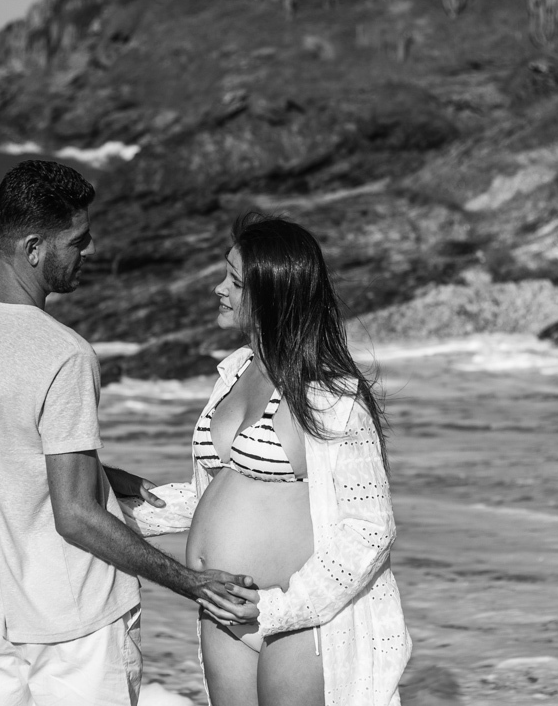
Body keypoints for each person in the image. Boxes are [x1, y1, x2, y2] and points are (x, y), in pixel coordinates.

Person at [0, 159, 254, 706]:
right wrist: (189, 581)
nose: (88, 249)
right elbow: (76, 517)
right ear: (33, 247)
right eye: (77, 241)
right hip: (77, 628)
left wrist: (104, 474)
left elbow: (3, 450)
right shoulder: (64, 355)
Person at [125, 213, 410, 706]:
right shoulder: (235, 372)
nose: (218, 288)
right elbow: (219, 493)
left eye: (234, 281)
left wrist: (278, 610)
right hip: (224, 609)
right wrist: (117, 505)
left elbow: (370, 528)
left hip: (298, 622)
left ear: (273, 294)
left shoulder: (331, 396)